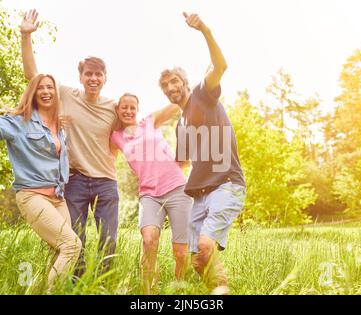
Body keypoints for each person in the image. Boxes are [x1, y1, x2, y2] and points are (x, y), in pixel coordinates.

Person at [0, 62, 81, 292]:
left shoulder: (58, 126)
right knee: (72, 245)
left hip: (58, 198)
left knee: (58, 252)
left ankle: (39, 290)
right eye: (40, 88)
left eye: (50, 87)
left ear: (56, 93)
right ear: (32, 93)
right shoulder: (18, 122)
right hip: (33, 197)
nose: (46, 91)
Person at [20, 10, 119, 275]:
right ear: (81, 77)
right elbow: (34, 78)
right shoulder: (66, 95)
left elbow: (130, 134)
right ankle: (77, 286)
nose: (93, 78)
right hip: (74, 180)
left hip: (106, 181)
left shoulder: (114, 107)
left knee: (109, 241)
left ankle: (103, 286)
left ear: (105, 77)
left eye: (98, 74)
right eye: (88, 74)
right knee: (75, 241)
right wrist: (25, 36)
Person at [158, 13, 246, 295]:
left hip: (225, 184)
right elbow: (180, 163)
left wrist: (204, 30)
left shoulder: (202, 93)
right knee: (199, 260)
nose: (172, 88)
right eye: (166, 86)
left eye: (174, 82)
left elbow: (221, 65)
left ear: (184, 81)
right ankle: (219, 292)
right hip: (199, 194)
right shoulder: (180, 124)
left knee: (207, 246)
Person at [110, 93, 192, 294]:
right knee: (148, 240)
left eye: (132, 107)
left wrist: (186, 89)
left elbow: (177, 105)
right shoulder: (116, 137)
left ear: (137, 109)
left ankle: (180, 290)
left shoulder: (149, 122)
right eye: (124, 108)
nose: (128, 111)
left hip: (177, 188)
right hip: (149, 194)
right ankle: (149, 293)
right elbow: (98, 152)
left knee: (181, 252)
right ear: (117, 111)